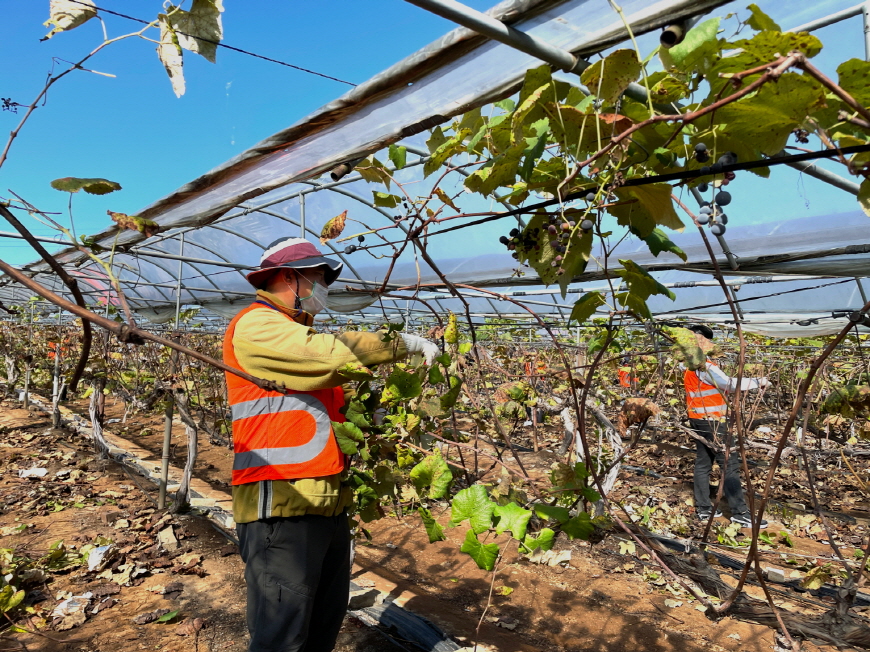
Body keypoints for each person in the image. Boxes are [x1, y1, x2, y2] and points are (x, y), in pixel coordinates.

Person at [223, 237, 438, 652]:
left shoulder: (296, 335)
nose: (325, 288)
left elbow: (321, 409)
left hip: (326, 503)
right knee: (281, 639)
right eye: (320, 278)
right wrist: (401, 344)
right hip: (281, 504)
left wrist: (374, 412)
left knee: (322, 628)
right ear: (291, 277)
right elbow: (325, 354)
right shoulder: (257, 324)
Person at [682, 324, 769, 528]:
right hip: (712, 422)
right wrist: (759, 381)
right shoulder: (704, 366)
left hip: (698, 419)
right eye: (706, 340)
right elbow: (729, 384)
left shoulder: (690, 367)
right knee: (729, 464)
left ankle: (704, 509)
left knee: (703, 463)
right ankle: (740, 512)